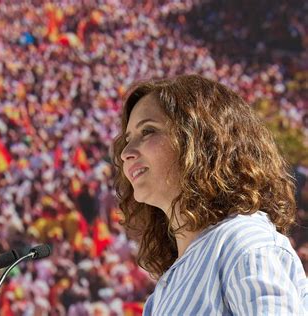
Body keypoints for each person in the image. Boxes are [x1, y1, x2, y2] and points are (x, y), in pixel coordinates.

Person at [111, 74, 308, 315]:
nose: (126, 152)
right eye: (128, 139)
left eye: (148, 131)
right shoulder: (166, 288)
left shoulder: (243, 242)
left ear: (201, 140)